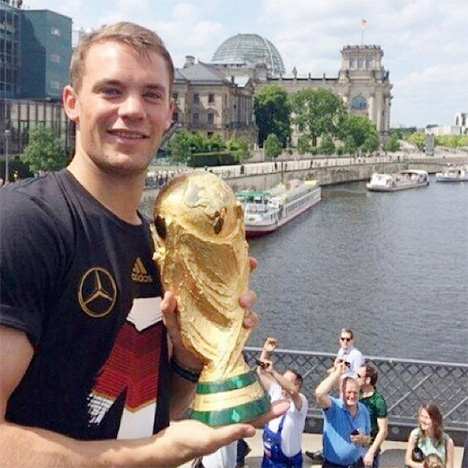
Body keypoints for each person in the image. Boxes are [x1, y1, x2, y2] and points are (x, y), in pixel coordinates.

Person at [0, 22, 287, 468]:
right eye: (111, 91)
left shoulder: (156, 243)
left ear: (170, 112)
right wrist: (160, 453)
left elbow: (141, 417)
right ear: (72, 104)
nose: (133, 110)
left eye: (151, 95)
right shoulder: (24, 225)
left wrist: (189, 361)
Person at [257, 337, 308, 468]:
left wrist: (273, 372)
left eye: (286, 381)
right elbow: (261, 372)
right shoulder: (276, 391)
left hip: (288, 463)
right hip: (268, 460)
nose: (281, 384)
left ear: (297, 385)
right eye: (281, 380)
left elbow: (292, 391)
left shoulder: (300, 402)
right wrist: (266, 351)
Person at [315, 361, 371, 468]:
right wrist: (338, 371)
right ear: (341, 393)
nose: (352, 396)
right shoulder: (334, 407)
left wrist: (364, 439)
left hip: (356, 464)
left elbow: (368, 438)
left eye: (355, 392)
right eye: (348, 392)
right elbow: (319, 393)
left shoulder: (363, 410)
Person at [356, 363, 388, 468]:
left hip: (369, 447)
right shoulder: (356, 394)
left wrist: (371, 452)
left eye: (359, 376)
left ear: (368, 380)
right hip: (356, 444)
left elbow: (383, 430)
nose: (355, 378)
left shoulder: (378, 401)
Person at [404, 402, 454, 468]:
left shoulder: (447, 441)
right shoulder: (415, 435)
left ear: (435, 420)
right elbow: (408, 460)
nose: (423, 420)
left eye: (426, 418)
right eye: (421, 416)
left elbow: (449, 466)